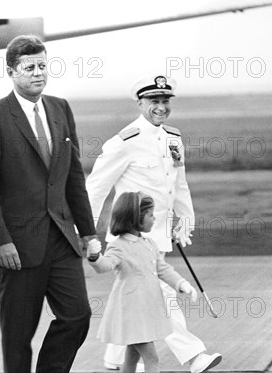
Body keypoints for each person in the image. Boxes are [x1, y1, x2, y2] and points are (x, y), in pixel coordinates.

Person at [0, 35, 98, 373]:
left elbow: (73, 175)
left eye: (43, 65)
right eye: (29, 67)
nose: (38, 73)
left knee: (78, 316)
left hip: (62, 238)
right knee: (18, 336)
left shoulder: (60, 108)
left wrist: (88, 232)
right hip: (17, 245)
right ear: (11, 71)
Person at [85, 75, 222, 373]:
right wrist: (85, 234)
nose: (160, 107)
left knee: (132, 297)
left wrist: (185, 220)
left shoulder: (173, 137)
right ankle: (195, 356)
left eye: (164, 101)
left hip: (156, 236)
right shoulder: (124, 142)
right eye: (153, 102)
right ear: (140, 103)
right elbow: (95, 188)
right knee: (162, 297)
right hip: (129, 237)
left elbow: (178, 184)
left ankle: (114, 357)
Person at [86, 192, 198, 373]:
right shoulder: (119, 246)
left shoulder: (149, 243)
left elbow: (162, 269)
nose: (154, 219)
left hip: (145, 310)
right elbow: (104, 266)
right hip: (131, 312)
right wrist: (94, 256)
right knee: (152, 358)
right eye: (150, 215)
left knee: (131, 357)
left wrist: (181, 284)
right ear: (135, 219)